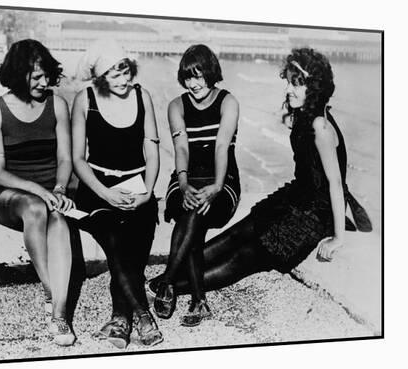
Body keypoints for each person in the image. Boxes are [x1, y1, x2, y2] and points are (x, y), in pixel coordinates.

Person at [148, 47, 372, 320]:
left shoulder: (321, 127)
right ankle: (166, 277)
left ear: (315, 87)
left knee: (242, 258)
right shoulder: (304, 117)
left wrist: (338, 237)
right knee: (235, 236)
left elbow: (336, 185)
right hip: (292, 200)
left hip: (311, 217)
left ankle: (166, 285)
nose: (289, 89)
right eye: (288, 81)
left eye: (296, 83)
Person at [0, 39, 76, 346]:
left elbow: (65, 158)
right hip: (8, 194)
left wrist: (59, 187)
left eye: (46, 74)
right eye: (36, 76)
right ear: (17, 74)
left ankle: (59, 315)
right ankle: (51, 289)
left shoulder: (57, 104)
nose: (44, 81)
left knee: (59, 219)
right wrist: (38, 188)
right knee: (35, 208)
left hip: (51, 191)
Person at [71, 39, 163, 348]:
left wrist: (149, 191)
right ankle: (143, 315)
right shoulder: (84, 100)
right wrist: (106, 194)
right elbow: (77, 159)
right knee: (115, 241)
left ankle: (120, 320)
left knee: (132, 253)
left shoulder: (143, 96)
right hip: (97, 191)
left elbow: (151, 148)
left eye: (125, 72)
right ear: (100, 78)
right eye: (114, 75)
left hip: (138, 189)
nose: (123, 81)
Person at [150, 44, 241, 326]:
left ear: (211, 73)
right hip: (186, 176)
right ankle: (198, 302)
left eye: (199, 75)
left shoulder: (228, 102)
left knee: (194, 216)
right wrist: (184, 183)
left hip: (222, 179)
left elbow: (222, 146)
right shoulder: (177, 106)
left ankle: (167, 282)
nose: (194, 83)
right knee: (191, 214)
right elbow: (181, 149)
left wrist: (215, 186)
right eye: (188, 77)